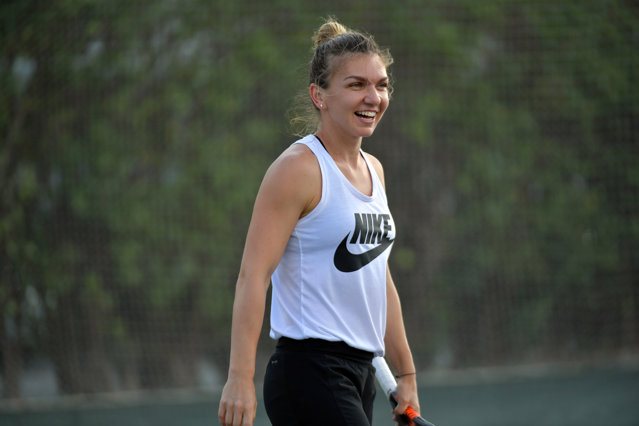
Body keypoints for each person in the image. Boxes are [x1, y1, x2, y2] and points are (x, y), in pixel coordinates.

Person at [218, 17, 420, 426]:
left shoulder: (375, 170)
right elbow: (253, 276)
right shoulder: (297, 169)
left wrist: (406, 373)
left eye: (381, 85)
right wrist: (239, 377)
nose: (373, 97)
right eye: (356, 84)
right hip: (308, 373)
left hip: (360, 374)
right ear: (319, 96)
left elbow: (378, 277)